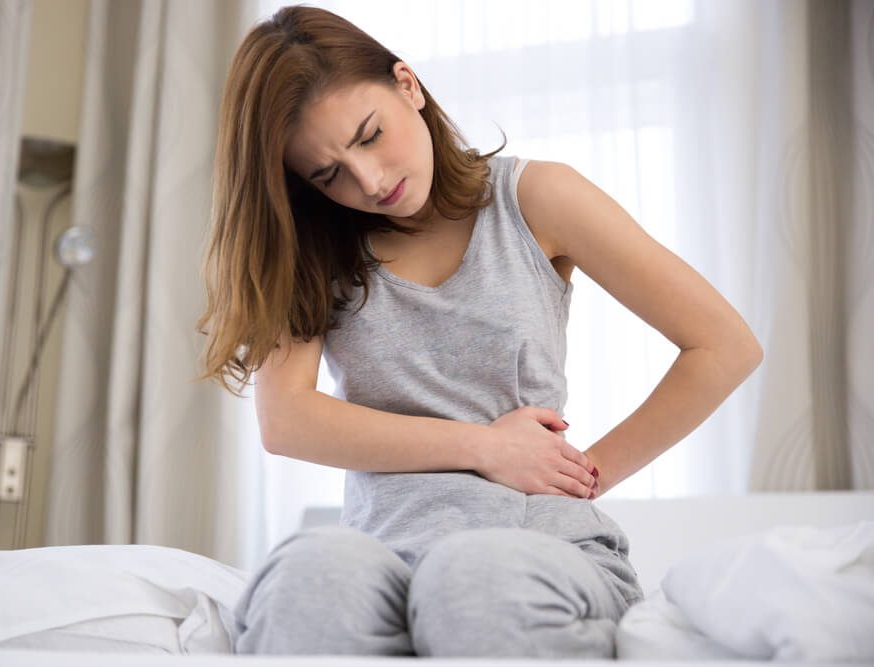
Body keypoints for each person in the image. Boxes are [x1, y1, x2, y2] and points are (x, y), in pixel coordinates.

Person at [195, 4, 763, 659]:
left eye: (370, 136)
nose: (368, 181)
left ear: (407, 84)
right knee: (307, 576)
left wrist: (584, 476)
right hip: (383, 553)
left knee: (471, 578)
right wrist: (484, 446)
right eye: (329, 174)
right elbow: (286, 419)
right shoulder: (315, 249)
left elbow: (724, 345)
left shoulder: (536, 198)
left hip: (534, 551)